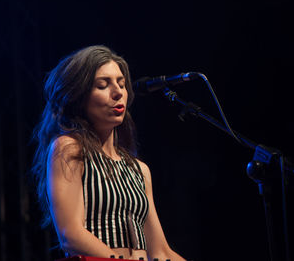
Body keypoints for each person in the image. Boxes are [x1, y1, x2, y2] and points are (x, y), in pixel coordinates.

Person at [31, 45, 186, 261]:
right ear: (79, 97)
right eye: (103, 85)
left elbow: (159, 251)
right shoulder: (68, 149)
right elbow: (71, 235)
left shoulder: (139, 170)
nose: (118, 92)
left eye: (121, 84)